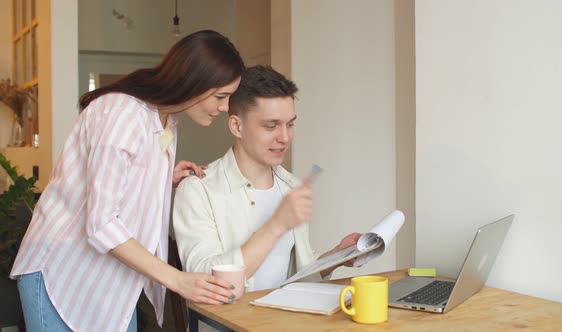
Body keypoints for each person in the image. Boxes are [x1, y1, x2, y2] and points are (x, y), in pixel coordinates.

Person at [10, 30, 245, 332]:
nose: (225, 108)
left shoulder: (167, 120)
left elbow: (117, 177)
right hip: (63, 272)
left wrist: (162, 179)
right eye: (221, 97)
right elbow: (102, 223)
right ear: (193, 81)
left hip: (109, 283)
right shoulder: (122, 113)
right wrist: (177, 280)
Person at [173, 65, 360, 293]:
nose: (284, 137)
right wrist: (277, 224)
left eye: (290, 124)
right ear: (237, 126)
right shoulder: (197, 190)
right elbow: (206, 282)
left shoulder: (291, 186)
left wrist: (337, 256)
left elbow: (293, 275)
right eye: (271, 126)